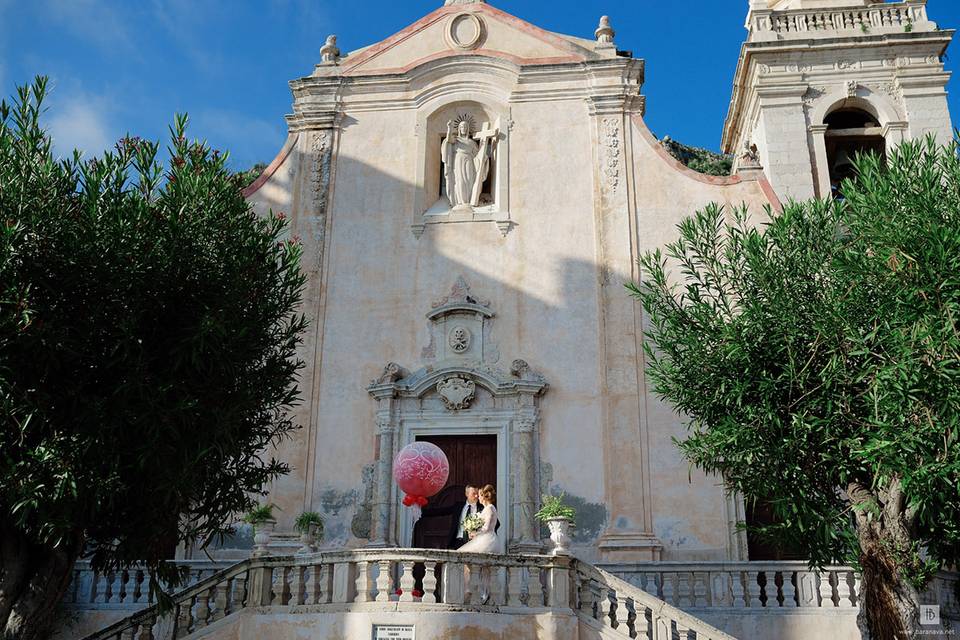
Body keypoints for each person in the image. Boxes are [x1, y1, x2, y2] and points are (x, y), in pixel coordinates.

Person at [457, 484, 500, 554]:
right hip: (482, 538)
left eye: (479, 495)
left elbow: (486, 528)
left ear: (483, 496)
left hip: (487, 540)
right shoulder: (487, 508)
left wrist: (475, 533)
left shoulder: (490, 508)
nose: (478, 497)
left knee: (464, 555)